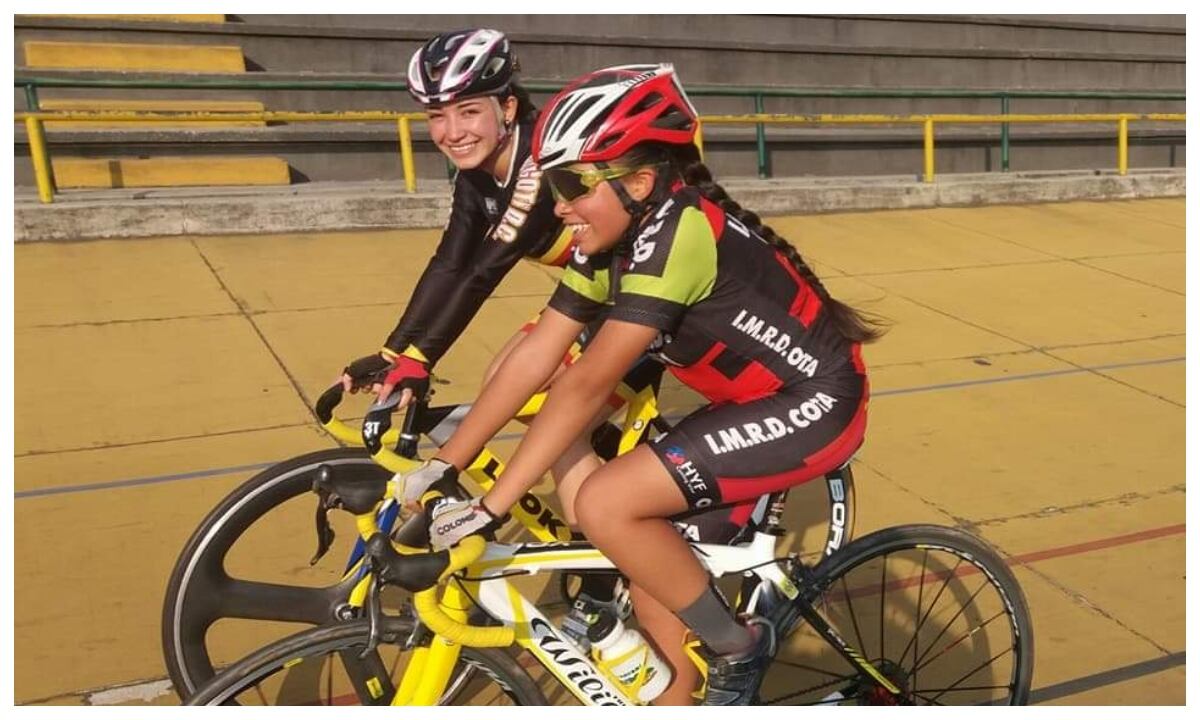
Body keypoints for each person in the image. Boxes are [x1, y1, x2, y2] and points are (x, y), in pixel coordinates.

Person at [407, 64, 884, 705]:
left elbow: (585, 383)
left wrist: (490, 508)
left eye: (572, 184)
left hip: (817, 402)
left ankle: (740, 644)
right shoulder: (609, 236)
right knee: (653, 580)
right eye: (550, 184)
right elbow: (540, 353)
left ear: (637, 182)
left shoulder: (678, 232)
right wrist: (444, 465)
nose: (558, 207)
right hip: (747, 402)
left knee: (606, 504)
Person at [339, 29, 610, 535]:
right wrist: (395, 351)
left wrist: (422, 360)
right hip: (593, 289)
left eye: (467, 112)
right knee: (501, 383)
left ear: (507, 108)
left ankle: (608, 550)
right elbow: (450, 262)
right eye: (436, 116)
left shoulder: (540, 160)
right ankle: (611, 463)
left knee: (549, 413)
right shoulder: (477, 171)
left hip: (640, 291)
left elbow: (486, 269)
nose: (451, 132)